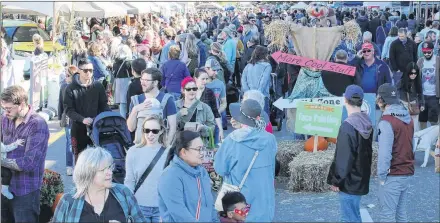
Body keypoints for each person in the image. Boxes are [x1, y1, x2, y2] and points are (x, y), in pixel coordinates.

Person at [214, 99, 277, 222]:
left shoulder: (232, 140)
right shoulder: (270, 139)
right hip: (265, 203)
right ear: (259, 117)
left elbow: (220, 168)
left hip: (240, 204)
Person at [52, 147, 146, 222]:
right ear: (88, 173)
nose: (109, 172)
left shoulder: (124, 194)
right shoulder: (68, 202)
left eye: (109, 167)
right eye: (103, 170)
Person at [0, 85, 49, 222]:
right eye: (3, 108)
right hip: (4, 187)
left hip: (26, 191)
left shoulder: (37, 124)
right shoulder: (4, 119)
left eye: (9, 109)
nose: (6, 112)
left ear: (22, 104)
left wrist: (1, 161)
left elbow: (29, 163)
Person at [327, 85, 373, 222]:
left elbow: (344, 159)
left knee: (348, 218)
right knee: (355, 215)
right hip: (361, 178)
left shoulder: (348, 126)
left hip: (349, 182)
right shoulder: (367, 121)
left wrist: (336, 180)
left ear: (345, 100)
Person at [158, 131, 219, 222]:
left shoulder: (202, 172)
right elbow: (179, 213)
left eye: (203, 148)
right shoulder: (170, 175)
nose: (202, 153)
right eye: (199, 149)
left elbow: (210, 205)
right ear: (183, 152)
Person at [376, 83, 415, 222]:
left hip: (393, 174)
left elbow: (384, 154)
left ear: (381, 100)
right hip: (407, 171)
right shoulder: (408, 118)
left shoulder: (386, 121)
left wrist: (381, 176)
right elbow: (412, 145)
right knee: (400, 213)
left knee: (387, 215)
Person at [64, 58, 110, 163]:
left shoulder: (98, 86)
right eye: (85, 70)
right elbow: (69, 110)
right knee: (80, 160)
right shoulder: (70, 88)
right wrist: (82, 119)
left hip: (97, 126)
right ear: (79, 71)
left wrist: (106, 117)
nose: (88, 73)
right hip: (79, 128)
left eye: (91, 70)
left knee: (99, 159)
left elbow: (104, 105)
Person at [125, 115, 169, 222]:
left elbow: (171, 183)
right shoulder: (133, 151)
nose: (150, 134)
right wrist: (128, 205)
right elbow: (129, 181)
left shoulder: (169, 152)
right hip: (139, 206)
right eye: (147, 130)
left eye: (154, 131)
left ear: (161, 131)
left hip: (161, 207)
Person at [127, 68, 177, 146]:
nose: (142, 83)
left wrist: (166, 146)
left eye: (146, 80)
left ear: (155, 82)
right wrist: (135, 110)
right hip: (140, 148)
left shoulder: (167, 100)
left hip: (159, 147)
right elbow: (131, 128)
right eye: (142, 79)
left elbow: (173, 127)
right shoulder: (136, 100)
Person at [194, 68, 224, 143]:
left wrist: (221, 130)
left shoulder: (209, 92)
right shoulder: (190, 90)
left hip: (206, 128)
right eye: (202, 79)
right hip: (192, 128)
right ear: (196, 79)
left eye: (206, 79)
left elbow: (215, 112)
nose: (205, 81)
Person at [241, 46, 272, 115]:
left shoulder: (248, 65)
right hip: (262, 95)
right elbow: (263, 81)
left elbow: (243, 80)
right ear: (265, 55)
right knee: (263, 119)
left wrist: (247, 92)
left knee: (250, 119)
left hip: (249, 95)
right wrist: (258, 94)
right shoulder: (267, 66)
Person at [416, 42, 440, 130]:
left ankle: (434, 139)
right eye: (424, 52)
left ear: (433, 50)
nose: (426, 54)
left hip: (434, 95)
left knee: (434, 119)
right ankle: (422, 139)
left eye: (428, 52)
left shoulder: (438, 60)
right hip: (422, 95)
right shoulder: (420, 61)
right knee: (422, 119)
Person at [58, 66, 77, 175]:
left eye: (68, 75)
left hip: (75, 117)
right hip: (69, 118)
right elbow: (60, 102)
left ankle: (74, 165)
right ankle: (70, 166)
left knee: (73, 142)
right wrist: (60, 117)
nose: (66, 78)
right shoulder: (64, 86)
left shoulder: (75, 86)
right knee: (70, 142)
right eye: (65, 75)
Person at [205, 59, 228, 142]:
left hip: (216, 121)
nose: (216, 73)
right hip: (202, 121)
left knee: (216, 147)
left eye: (217, 70)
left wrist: (217, 112)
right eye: (214, 70)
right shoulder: (200, 83)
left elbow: (224, 103)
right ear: (206, 69)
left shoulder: (220, 84)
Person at [398, 62, 424, 132]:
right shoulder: (402, 81)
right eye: (411, 73)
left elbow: (420, 93)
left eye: (415, 73)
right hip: (403, 105)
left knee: (414, 126)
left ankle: (414, 140)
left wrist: (422, 104)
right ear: (407, 72)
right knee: (403, 125)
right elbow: (396, 92)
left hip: (414, 104)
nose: (413, 75)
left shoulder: (418, 81)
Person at [113, 44, 133, 118]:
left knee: (122, 104)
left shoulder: (116, 62)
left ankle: (122, 120)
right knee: (128, 102)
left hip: (118, 83)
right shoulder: (128, 62)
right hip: (126, 83)